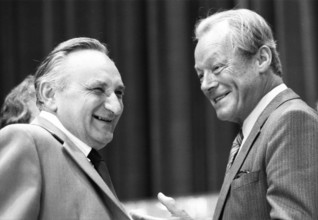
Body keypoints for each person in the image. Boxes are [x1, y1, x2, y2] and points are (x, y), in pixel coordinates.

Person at [131, 8, 318, 220]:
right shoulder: (258, 127)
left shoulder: (291, 121)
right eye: (201, 75)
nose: (206, 85)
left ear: (262, 59)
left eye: (217, 67)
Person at [0, 37, 131, 220]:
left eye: (119, 93)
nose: (115, 107)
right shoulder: (26, 140)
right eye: (97, 89)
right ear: (49, 94)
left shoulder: (83, 158)